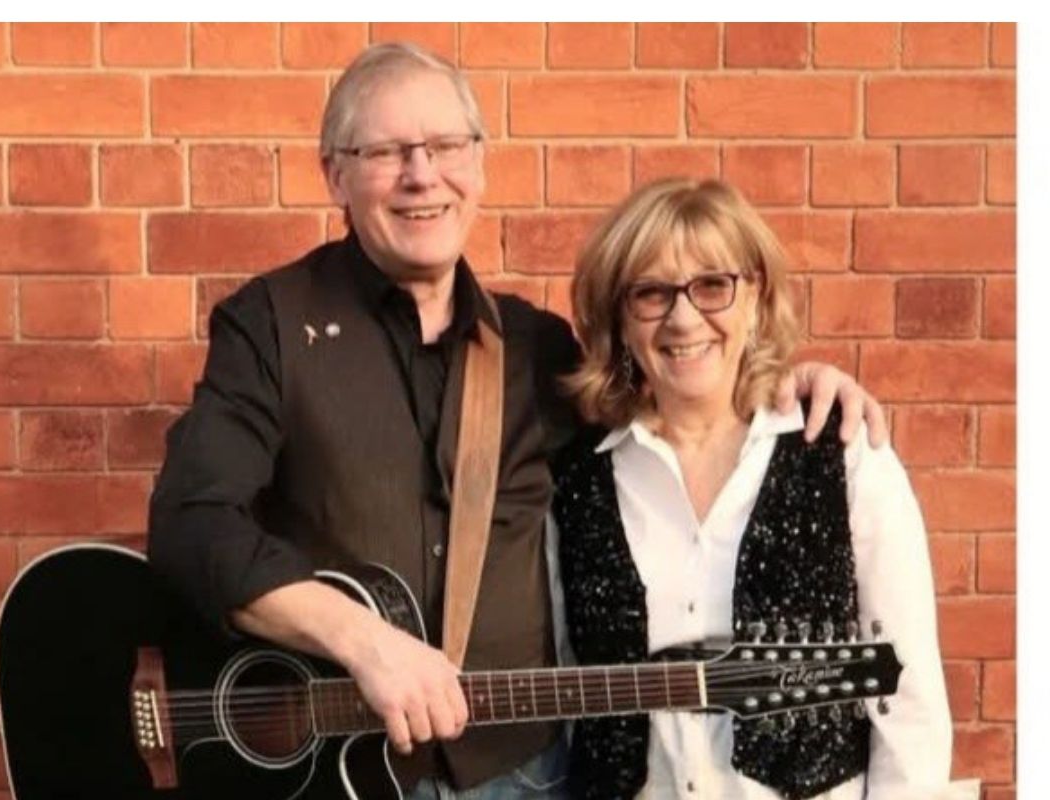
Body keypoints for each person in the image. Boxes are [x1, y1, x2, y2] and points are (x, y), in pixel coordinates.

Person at [147, 43, 886, 799]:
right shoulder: (270, 326)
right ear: (335, 173)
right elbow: (192, 520)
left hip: (523, 775)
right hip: (337, 776)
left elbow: (676, 400)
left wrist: (784, 385)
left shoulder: (537, 348)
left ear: (479, 164)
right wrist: (362, 640)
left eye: (445, 146)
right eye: (387, 152)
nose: (421, 175)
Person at [552, 178, 972, 799]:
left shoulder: (842, 452)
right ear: (620, 318)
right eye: (651, 293)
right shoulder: (575, 481)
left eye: (712, 286)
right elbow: (571, 691)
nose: (683, 318)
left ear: (755, 298)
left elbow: (908, 700)